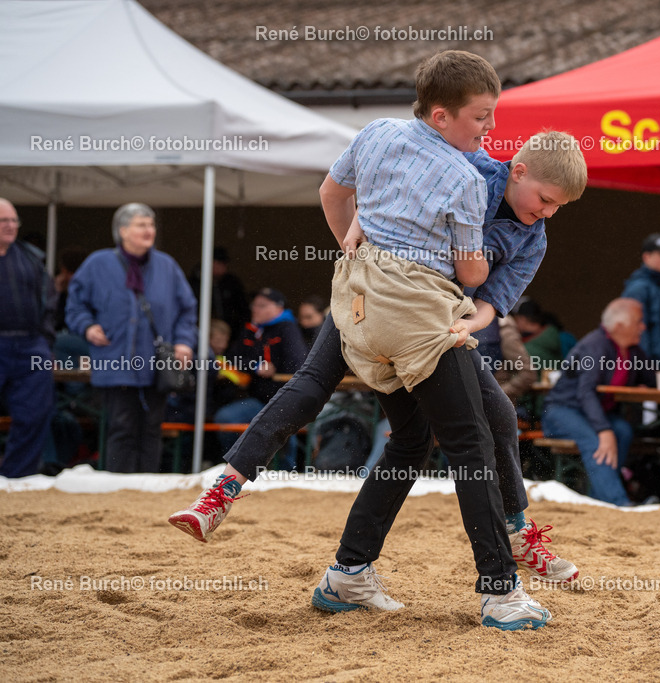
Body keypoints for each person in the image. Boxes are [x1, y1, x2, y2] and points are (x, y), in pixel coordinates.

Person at [171, 56, 585, 629]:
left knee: (415, 435)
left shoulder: (404, 143)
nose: (548, 213)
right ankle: (501, 585)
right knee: (472, 437)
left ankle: (340, 566)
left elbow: (356, 191)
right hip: (418, 314)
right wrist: (373, 235)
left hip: (372, 299)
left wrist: (365, 232)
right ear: (515, 170)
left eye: (559, 208)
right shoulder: (471, 172)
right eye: (546, 199)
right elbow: (468, 272)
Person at [66, 203, 197, 473]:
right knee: (121, 427)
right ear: (122, 230)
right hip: (115, 360)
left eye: (151, 224)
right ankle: (117, 487)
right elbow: (74, 305)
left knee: (151, 428)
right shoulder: (98, 264)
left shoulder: (166, 266)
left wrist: (184, 341)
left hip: (157, 364)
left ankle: (145, 489)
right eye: (141, 224)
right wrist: (87, 327)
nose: (149, 230)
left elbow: (187, 309)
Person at [542, 298, 656, 506]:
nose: (643, 326)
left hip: (591, 413)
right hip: (562, 411)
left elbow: (653, 379)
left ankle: (599, 499)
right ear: (620, 326)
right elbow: (585, 393)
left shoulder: (631, 350)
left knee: (622, 430)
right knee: (596, 440)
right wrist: (603, 429)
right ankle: (619, 502)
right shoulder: (595, 346)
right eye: (638, 321)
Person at [214, 287, 306, 468]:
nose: (255, 309)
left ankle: (287, 474)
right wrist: (255, 366)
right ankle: (236, 465)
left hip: (282, 400)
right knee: (225, 418)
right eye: (254, 305)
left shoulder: (288, 328)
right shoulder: (252, 329)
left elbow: (299, 365)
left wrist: (275, 368)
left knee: (283, 429)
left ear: (278, 308)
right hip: (256, 399)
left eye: (262, 305)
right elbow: (231, 358)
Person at [0, 198, 57, 478]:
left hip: (30, 344)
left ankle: (16, 478)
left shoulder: (31, 257)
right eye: (3, 221)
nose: (10, 226)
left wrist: (45, 344)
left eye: (14, 221)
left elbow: (49, 301)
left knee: (35, 413)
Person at [621, 232, 660, 362]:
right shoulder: (638, 289)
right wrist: (644, 368)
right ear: (646, 257)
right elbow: (636, 332)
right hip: (648, 367)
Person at [189, 247, 248, 344]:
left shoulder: (232, 283)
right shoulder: (194, 284)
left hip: (231, 336)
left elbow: (242, 310)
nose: (221, 268)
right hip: (201, 334)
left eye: (223, 264)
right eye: (217, 263)